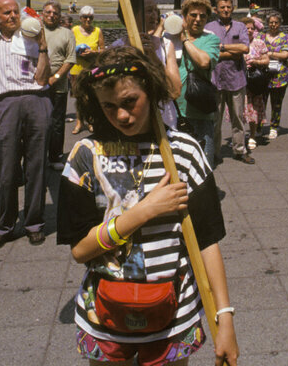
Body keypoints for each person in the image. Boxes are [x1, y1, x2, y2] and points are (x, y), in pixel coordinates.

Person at [58, 46, 239, 365]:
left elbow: (208, 241)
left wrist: (224, 319)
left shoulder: (183, 152)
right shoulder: (85, 156)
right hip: (105, 316)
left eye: (130, 102)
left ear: (151, 91)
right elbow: (80, 251)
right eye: (109, 107)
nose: (122, 115)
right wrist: (144, 210)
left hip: (174, 314)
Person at [0, 0, 52, 248]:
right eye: (6, 13)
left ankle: (34, 223)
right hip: (4, 104)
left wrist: (43, 47)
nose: (13, 16)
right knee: (5, 170)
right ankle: (5, 225)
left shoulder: (31, 40)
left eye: (16, 11)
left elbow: (42, 78)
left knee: (37, 166)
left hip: (37, 99)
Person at [109, 0, 182, 131]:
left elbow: (174, 91)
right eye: (149, 11)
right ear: (130, 15)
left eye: (156, 10)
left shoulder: (166, 45)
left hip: (164, 123)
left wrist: (154, 58)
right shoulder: (116, 49)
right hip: (130, 126)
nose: (155, 16)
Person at [206, 0, 253, 165]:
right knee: (215, 120)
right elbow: (209, 52)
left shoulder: (240, 26)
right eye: (222, 7)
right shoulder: (209, 28)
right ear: (216, 9)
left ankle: (240, 150)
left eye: (228, 7)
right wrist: (232, 51)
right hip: (216, 80)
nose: (225, 9)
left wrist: (221, 47)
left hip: (236, 79)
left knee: (238, 118)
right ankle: (214, 152)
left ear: (232, 8)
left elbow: (244, 48)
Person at [175, 0, 221, 165]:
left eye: (203, 16)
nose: (198, 19)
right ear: (185, 17)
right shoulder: (171, 38)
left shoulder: (211, 39)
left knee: (203, 166)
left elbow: (203, 61)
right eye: (193, 15)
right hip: (174, 112)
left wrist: (185, 40)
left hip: (199, 112)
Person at [43, 0, 77, 170]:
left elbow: (70, 59)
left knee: (56, 123)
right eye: (48, 12)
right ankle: (38, 155)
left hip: (59, 86)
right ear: (43, 14)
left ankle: (55, 155)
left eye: (55, 13)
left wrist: (55, 77)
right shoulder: (37, 31)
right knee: (38, 122)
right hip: (37, 86)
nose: (51, 15)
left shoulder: (66, 33)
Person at [72, 5, 105, 134]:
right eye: (85, 17)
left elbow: (103, 49)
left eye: (90, 17)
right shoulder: (74, 30)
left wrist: (93, 52)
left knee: (91, 95)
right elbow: (68, 48)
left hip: (92, 67)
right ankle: (79, 122)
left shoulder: (97, 31)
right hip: (77, 68)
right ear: (80, 18)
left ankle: (91, 121)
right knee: (78, 96)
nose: (87, 20)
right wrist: (77, 52)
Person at [263, 11, 288, 142]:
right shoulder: (261, 36)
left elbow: (285, 55)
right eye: (271, 22)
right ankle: (258, 126)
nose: (273, 25)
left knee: (276, 103)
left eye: (276, 22)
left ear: (280, 23)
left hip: (280, 76)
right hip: (263, 76)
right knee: (261, 102)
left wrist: (269, 54)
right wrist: (276, 53)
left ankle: (274, 126)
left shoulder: (284, 37)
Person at [242, 16, 270, 147]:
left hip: (254, 80)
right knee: (239, 109)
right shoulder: (237, 42)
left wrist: (256, 62)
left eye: (252, 28)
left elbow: (266, 60)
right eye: (246, 28)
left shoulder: (259, 43)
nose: (249, 30)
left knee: (253, 108)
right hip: (239, 80)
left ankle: (252, 135)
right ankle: (239, 136)